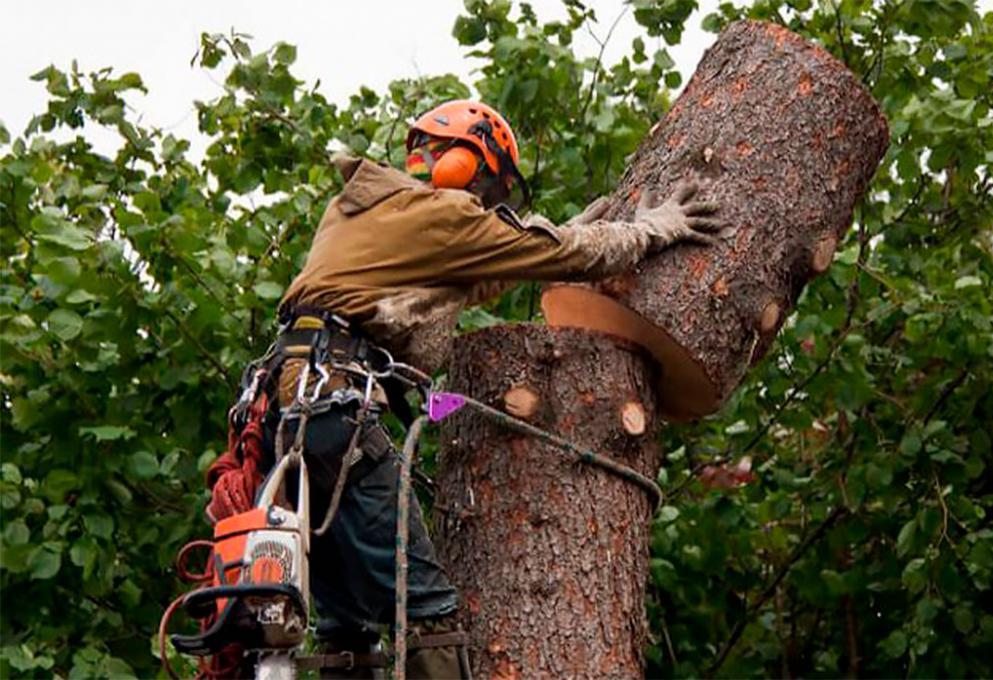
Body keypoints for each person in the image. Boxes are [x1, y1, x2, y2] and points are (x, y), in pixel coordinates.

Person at [215, 99, 721, 678]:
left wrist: (549, 246)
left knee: (344, 624)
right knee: (427, 608)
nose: (491, 207)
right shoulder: (443, 213)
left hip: (293, 418)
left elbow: (449, 289)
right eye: (494, 191)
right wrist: (647, 231)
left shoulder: (365, 208)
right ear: (470, 163)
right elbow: (548, 253)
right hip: (337, 409)